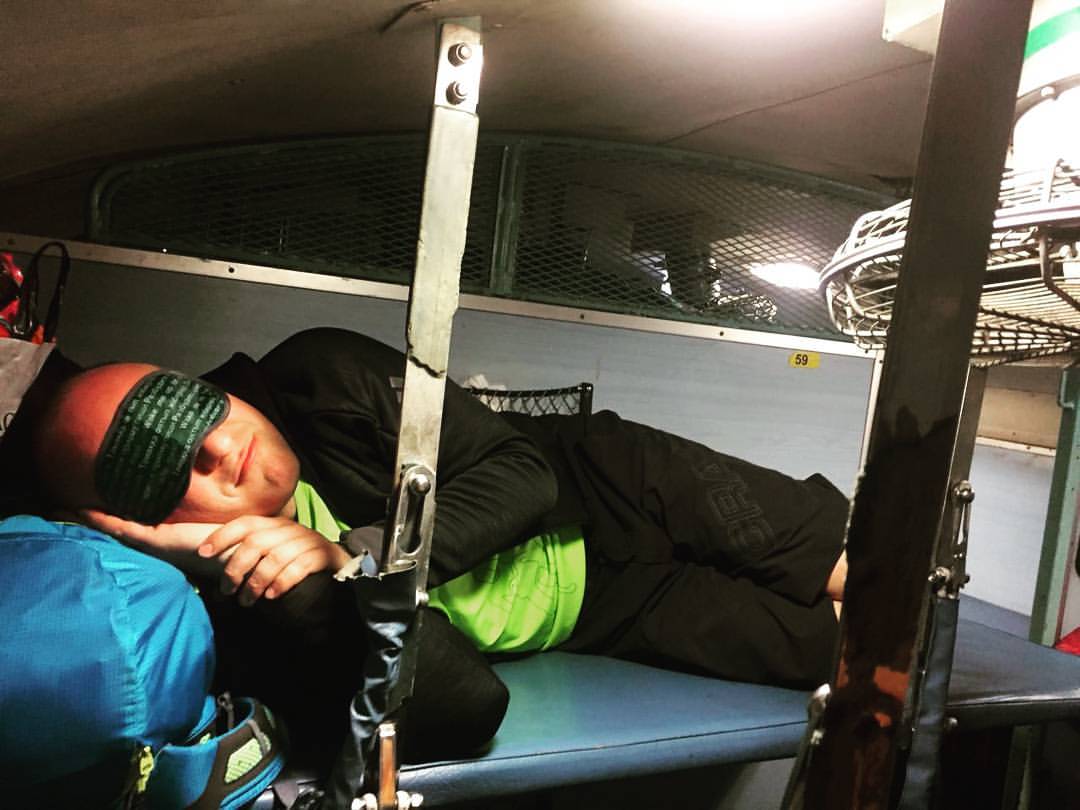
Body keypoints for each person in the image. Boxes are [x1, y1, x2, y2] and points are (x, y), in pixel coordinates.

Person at [31, 327, 848, 766]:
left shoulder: (321, 375)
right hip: (601, 610)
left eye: (191, 408)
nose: (219, 447)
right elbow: (465, 705)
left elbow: (523, 475)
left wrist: (360, 552)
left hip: (610, 484)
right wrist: (320, 584)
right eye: (170, 469)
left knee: (858, 576)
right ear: (146, 526)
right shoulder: (247, 605)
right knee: (837, 653)